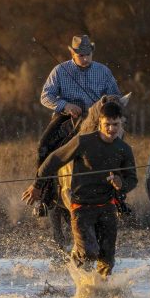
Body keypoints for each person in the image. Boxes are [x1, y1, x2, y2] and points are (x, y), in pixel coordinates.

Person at [22, 99, 137, 276]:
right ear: (100, 122)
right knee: (89, 252)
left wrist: (122, 185)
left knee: (107, 261)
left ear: (121, 123)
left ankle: (101, 289)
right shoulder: (83, 142)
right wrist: (37, 185)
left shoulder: (124, 149)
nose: (111, 129)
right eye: (107, 124)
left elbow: (132, 179)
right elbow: (53, 160)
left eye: (115, 124)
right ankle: (76, 269)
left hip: (107, 207)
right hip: (82, 207)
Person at [32, 34, 120, 215]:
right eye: (81, 55)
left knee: (118, 147)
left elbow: (115, 96)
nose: (85, 58)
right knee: (43, 146)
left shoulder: (103, 71)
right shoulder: (60, 70)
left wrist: (105, 103)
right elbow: (45, 96)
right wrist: (66, 105)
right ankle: (43, 195)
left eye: (88, 54)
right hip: (66, 117)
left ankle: (119, 197)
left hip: (97, 119)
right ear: (72, 53)